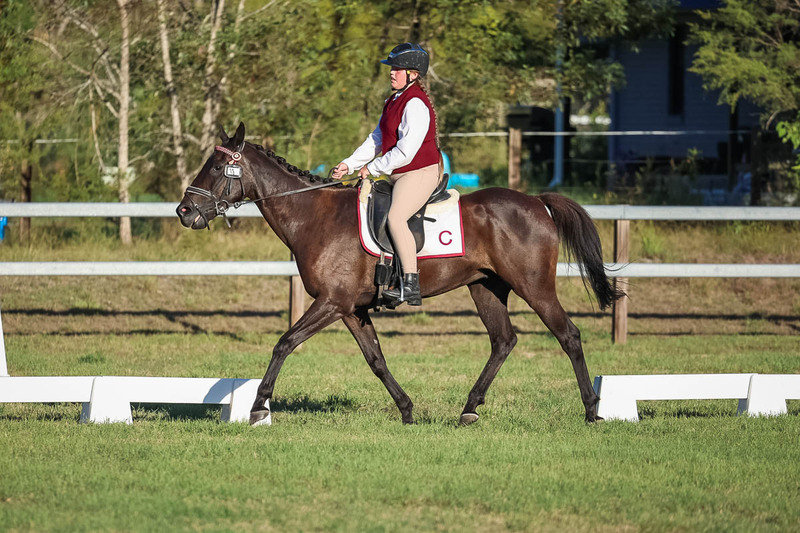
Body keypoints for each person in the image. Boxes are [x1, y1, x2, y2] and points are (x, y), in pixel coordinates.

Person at [332, 42, 441, 307]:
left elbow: (405, 151)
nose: (391, 72)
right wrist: (350, 163)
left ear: (413, 74)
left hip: (420, 172)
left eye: (397, 69)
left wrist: (373, 167)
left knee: (396, 218)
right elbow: (377, 139)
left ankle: (411, 284)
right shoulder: (392, 100)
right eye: (392, 68)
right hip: (399, 174)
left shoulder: (416, 104)